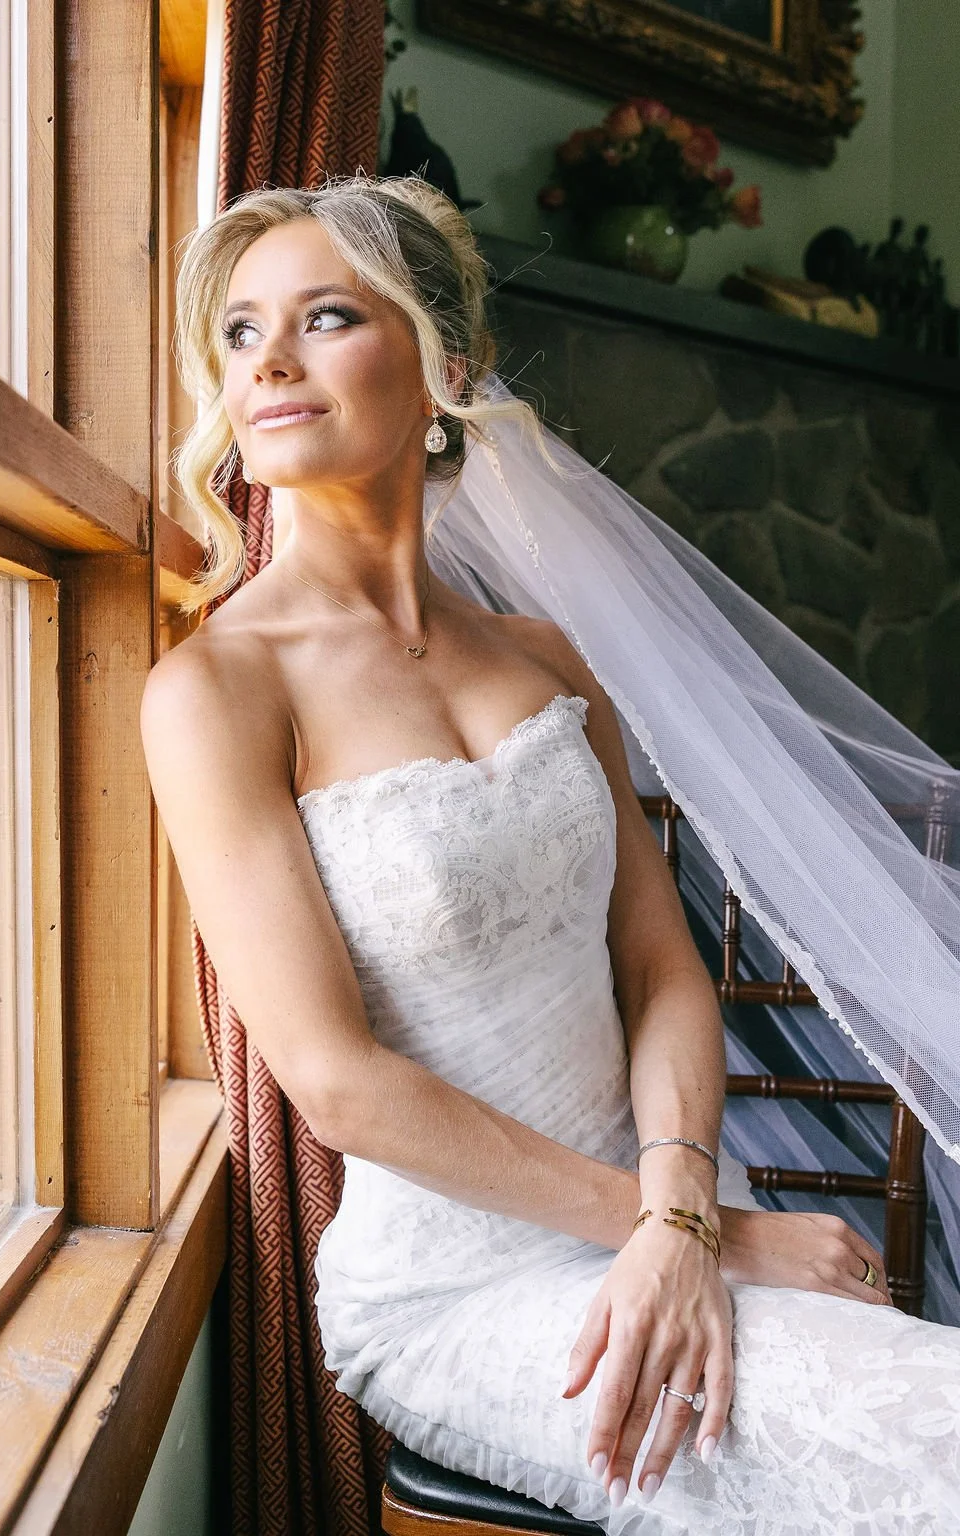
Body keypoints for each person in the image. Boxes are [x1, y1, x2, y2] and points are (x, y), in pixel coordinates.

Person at [140, 172, 960, 1534]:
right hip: (464, 1286)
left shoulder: (546, 659)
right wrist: (706, 1238)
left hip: (669, 1198)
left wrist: (686, 1205)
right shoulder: (217, 689)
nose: (266, 363)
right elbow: (339, 1085)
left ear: (444, 363)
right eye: (237, 331)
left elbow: (662, 970)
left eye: (325, 317)